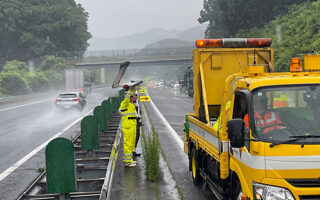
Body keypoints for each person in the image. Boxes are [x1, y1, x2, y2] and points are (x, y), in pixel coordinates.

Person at [120, 91, 138, 168]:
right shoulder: (125, 104)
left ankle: (129, 160)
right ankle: (127, 162)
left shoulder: (131, 105)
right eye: (133, 96)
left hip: (132, 127)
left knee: (131, 145)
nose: (135, 97)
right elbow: (126, 100)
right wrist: (128, 92)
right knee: (127, 145)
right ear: (129, 97)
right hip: (128, 127)